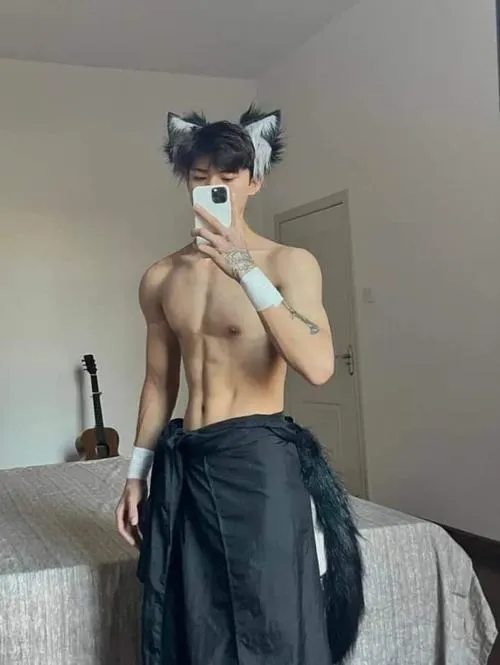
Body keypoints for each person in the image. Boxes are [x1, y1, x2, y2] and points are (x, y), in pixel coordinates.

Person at [115, 106, 364, 665]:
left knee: (274, 616)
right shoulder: (161, 277)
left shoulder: (289, 264)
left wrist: (244, 269)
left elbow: (318, 366)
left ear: (254, 182)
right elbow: (158, 382)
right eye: (201, 178)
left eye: (228, 178)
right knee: (194, 615)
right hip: (188, 461)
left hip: (257, 459)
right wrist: (136, 473)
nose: (214, 189)